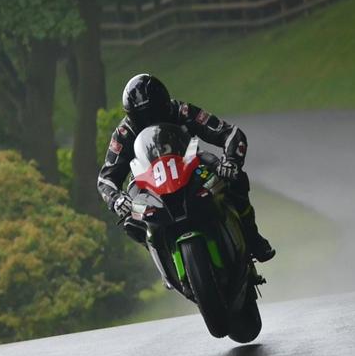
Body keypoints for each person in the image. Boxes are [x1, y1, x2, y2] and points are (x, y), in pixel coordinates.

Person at [96, 73, 275, 262]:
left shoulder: (181, 110)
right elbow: (106, 178)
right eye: (142, 117)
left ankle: (252, 236)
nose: (151, 120)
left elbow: (229, 133)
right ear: (131, 116)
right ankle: (164, 258)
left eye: (156, 112)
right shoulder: (124, 133)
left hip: (191, 166)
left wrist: (231, 161)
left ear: (165, 103)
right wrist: (116, 199)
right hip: (148, 182)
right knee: (131, 221)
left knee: (236, 179)